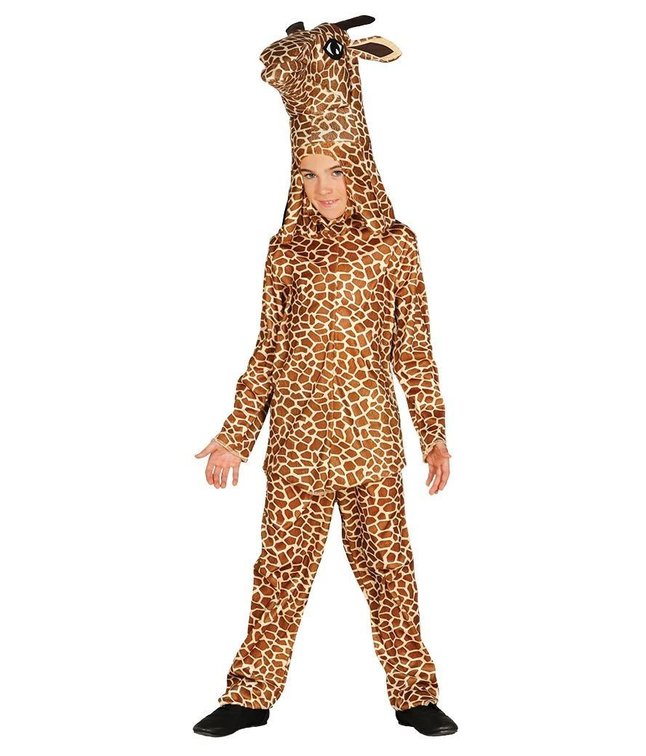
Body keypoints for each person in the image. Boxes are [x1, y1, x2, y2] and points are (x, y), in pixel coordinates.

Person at [193, 18, 458, 738]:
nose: (323, 188)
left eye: (335, 171)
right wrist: (235, 435)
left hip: (370, 446)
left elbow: (414, 348)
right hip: (299, 447)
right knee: (277, 575)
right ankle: (249, 697)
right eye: (308, 175)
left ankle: (415, 696)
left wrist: (434, 434)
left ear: (359, 167)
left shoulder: (394, 247)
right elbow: (267, 353)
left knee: (391, 574)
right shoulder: (286, 250)